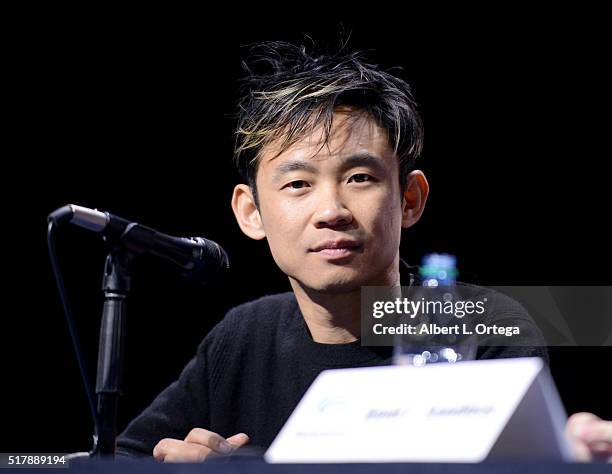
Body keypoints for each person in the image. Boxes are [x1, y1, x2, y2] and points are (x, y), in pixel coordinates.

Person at [116, 41, 611, 463]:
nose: (331, 210)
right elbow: (115, 461)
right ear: (252, 213)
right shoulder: (242, 337)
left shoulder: (481, 327)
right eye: (297, 183)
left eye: (360, 178)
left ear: (409, 199)